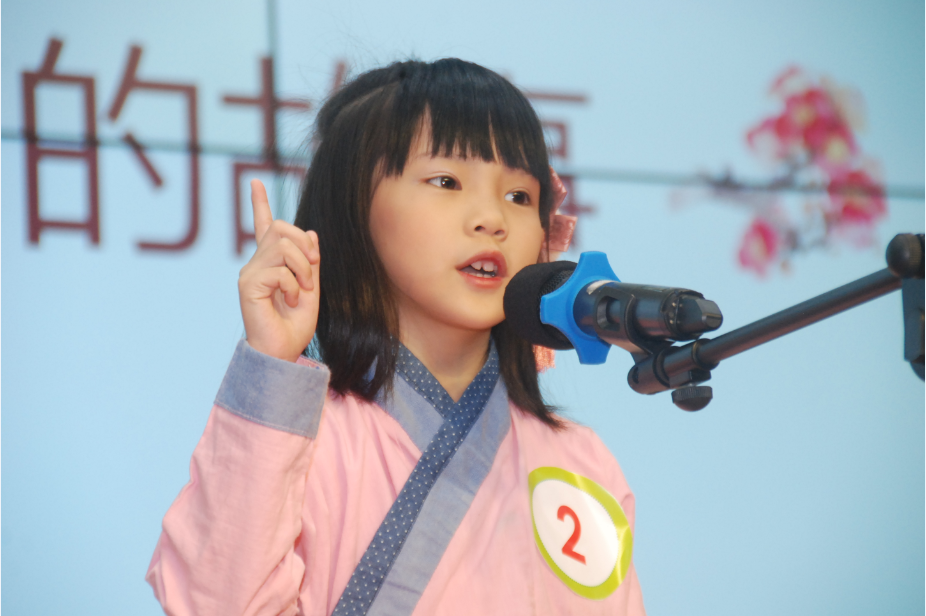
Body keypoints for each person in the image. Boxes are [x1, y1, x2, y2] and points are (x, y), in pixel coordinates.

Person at [146, 58, 646, 616]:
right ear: (355, 207)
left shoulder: (582, 464)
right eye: (446, 182)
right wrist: (269, 367)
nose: (493, 219)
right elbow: (217, 603)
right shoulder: (297, 437)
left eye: (519, 197)